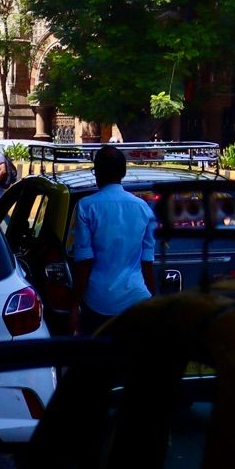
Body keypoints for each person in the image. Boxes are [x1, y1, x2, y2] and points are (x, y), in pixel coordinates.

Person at [69, 144, 156, 335]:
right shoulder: (143, 209)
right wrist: (153, 301)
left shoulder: (86, 207)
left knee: (97, 361)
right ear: (123, 172)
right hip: (136, 298)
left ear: (97, 173)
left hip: (97, 302)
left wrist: (75, 305)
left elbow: (84, 261)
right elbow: (147, 262)